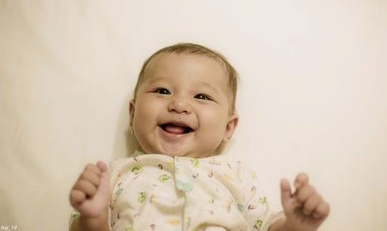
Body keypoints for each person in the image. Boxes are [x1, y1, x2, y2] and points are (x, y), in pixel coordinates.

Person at [69, 43, 330, 231]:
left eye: (202, 96)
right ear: (133, 112)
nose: (179, 104)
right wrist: (93, 218)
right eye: (162, 90)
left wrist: (294, 226)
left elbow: (264, 226)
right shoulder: (116, 175)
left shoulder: (235, 175)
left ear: (229, 127)